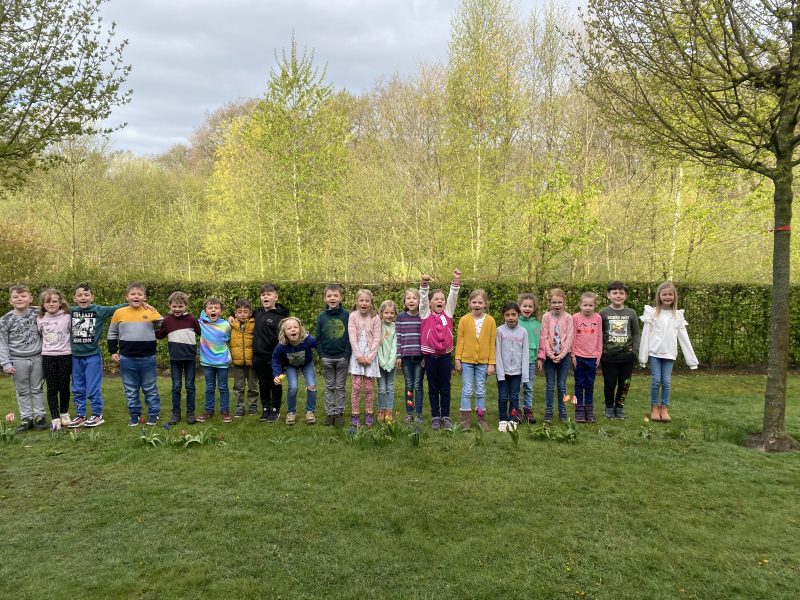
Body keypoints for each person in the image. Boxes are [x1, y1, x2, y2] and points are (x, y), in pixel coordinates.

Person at [68, 283, 128, 428]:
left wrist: (136, 302)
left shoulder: (99, 310)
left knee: (93, 387)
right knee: (77, 387)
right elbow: (50, 306)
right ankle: (80, 415)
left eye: (86, 295)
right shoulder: (70, 311)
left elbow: (117, 307)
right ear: (74, 298)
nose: (83, 298)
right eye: (79, 295)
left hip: (92, 356)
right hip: (75, 357)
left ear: (92, 297)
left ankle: (97, 414)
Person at [639, 281, 698, 423]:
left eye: (670, 294)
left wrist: (691, 360)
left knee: (666, 381)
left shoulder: (677, 316)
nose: (667, 297)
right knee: (656, 381)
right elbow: (645, 335)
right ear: (659, 296)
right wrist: (643, 357)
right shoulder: (652, 314)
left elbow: (684, 338)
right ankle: (654, 407)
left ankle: (664, 408)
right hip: (655, 353)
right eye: (664, 294)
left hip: (669, 354)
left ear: (674, 296)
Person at [108, 282, 163, 427]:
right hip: (127, 358)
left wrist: (153, 310)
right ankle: (134, 414)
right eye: (133, 294)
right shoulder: (119, 313)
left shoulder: (150, 311)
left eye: (139, 294)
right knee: (131, 389)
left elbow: (163, 325)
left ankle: (154, 413)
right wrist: (113, 351)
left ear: (144, 297)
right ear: (127, 296)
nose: (136, 296)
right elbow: (112, 333)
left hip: (148, 358)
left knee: (150, 388)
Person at [0, 284, 46, 432]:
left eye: (23, 296)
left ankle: (40, 417)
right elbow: (2, 343)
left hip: (37, 357)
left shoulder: (38, 313)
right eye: (16, 297)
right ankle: (26, 419)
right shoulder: (5, 320)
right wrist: (5, 363)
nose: (19, 299)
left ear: (30, 298)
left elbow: (54, 308)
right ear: (10, 301)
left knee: (37, 388)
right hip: (17, 359)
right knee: (22, 390)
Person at [420, 269, 461, 431]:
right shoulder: (425, 313)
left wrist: (456, 281)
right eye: (436, 299)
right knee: (433, 388)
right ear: (430, 302)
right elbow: (423, 299)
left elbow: (453, 296)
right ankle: (435, 417)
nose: (440, 301)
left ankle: (446, 416)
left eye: (442, 299)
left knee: (445, 387)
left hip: (445, 356)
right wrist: (424, 285)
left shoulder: (448, 312)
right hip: (430, 357)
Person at [156, 291, 200, 426]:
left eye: (180, 306)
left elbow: (202, 332)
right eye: (174, 306)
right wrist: (146, 327)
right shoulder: (167, 321)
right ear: (169, 305)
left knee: (190, 386)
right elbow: (160, 334)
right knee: (176, 387)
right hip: (175, 359)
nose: (177, 309)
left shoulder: (192, 320)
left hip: (190, 358)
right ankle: (176, 413)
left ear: (186, 306)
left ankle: (190, 413)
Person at [454, 288, 496, 432]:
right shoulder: (464, 320)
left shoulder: (490, 321)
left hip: (483, 362)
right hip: (466, 361)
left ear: (485, 304)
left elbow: (492, 343)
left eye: (480, 302)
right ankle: (465, 421)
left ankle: (481, 419)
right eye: (474, 302)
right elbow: (460, 341)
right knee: (466, 390)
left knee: (480, 390)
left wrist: (491, 363)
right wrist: (458, 359)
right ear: (469, 303)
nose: (477, 305)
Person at [600, 281, 640, 420]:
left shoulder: (631, 313)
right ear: (608, 295)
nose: (618, 295)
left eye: (621, 293)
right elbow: (598, 334)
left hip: (627, 356)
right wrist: (601, 350)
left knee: (625, 384)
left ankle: (619, 407)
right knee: (610, 384)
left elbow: (636, 333)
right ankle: (609, 407)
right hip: (608, 356)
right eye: (615, 293)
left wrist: (635, 351)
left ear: (626, 296)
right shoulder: (603, 313)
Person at [252, 283, 289, 423]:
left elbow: (284, 338)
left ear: (276, 297)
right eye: (263, 295)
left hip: (274, 358)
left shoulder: (281, 317)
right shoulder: (258, 313)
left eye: (268, 294)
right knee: (263, 384)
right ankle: (266, 408)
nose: (265, 297)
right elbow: (242, 312)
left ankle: (275, 410)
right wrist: (232, 315)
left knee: (275, 383)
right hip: (258, 356)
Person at [36, 288, 72, 430]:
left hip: (65, 355)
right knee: (52, 387)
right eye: (47, 302)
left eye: (54, 301)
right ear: (43, 304)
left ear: (60, 302)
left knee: (64, 386)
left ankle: (64, 413)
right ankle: (55, 417)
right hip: (48, 356)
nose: (51, 304)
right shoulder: (40, 318)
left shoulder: (67, 316)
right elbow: (40, 335)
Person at [537, 288, 574, 424]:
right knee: (550, 385)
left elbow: (570, 337)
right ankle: (549, 412)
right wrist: (550, 354)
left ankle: (562, 412)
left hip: (564, 357)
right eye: (554, 302)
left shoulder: (568, 318)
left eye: (560, 302)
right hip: (549, 357)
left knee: (561, 385)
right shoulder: (546, 317)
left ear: (564, 303)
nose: (557, 305)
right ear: (549, 303)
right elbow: (544, 337)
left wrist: (562, 354)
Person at [272, 317, 317, 426]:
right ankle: (291, 412)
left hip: (307, 363)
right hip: (290, 365)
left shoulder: (308, 340)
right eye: (289, 328)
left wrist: (327, 355)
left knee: (311, 385)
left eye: (295, 327)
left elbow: (319, 344)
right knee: (293, 387)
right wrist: (276, 374)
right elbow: (276, 359)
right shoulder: (281, 345)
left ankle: (310, 411)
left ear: (300, 329)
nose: (293, 329)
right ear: (284, 332)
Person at [316, 284, 350, 426]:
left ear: (341, 298)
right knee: (329, 387)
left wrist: (346, 355)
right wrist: (322, 355)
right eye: (329, 296)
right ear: (325, 298)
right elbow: (318, 339)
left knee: (340, 387)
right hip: (327, 358)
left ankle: (339, 413)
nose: (332, 298)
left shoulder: (347, 315)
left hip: (342, 358)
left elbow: (350, 337)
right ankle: (330, 413)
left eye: (336, 295)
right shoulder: (321, 317)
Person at [348, 289, 381, 427]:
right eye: (361, 300)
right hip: (357, 358)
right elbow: (352, 337)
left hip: (370, 358)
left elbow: (377, 339)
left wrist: (370, 357)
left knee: (369, 389)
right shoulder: (353, 316)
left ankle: (369, 414)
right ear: (357, 302)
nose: (364, 303)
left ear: (371, 302)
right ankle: (355, 414)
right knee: (356, 388)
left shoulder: (375, 317)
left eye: (367, 301)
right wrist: (359, 356)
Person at [197, 297, 232, 423]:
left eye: (216, 308)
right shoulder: (201, 323)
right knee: (209, 388)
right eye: (210, 308)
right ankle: (209, 411)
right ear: (205, 311)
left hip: (222, 361)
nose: (213, 310)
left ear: (221, 311)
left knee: (223, 387)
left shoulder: (226, 325)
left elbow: (229, 338)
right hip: (207, 362)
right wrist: (204, 314)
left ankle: (225, 411)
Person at [495, 301, 529, 432]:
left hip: (517, 372)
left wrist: (524, 374)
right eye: (507, 315)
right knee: (503, 396)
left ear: (518, 315)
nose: (510, 317)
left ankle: (513, 419)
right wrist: (499, 371)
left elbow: (525, 353)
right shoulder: (499, 331)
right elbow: (497, 352)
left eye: (513, 314)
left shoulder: (523, 332)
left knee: (515, 396)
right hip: (503, 371)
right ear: (503, 316)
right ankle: (503, 419)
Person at [572, 292, 603, 423]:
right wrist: (573, 355)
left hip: (592, 357)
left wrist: (598, 354)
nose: (588, 308)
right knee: (579, 384)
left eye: (590, 305)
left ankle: (589, 411)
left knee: (590, 384)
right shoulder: (575, 317)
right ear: (580, 305)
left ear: (595, 305)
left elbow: (599, 336)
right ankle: (579, 411)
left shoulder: (598, 318)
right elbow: (573, 337)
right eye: (585, 305)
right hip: (579, 356)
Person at [396, 288, 424, 425]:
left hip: (420, 358)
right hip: (406, 357)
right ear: (405, 301)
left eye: (414, 298)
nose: (411, 301)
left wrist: (425, 356)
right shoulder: (401, 317)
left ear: (419, 301)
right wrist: (398, 356)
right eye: (408, 298)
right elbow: (398, 337)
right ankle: (409, 413)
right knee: (409, 385)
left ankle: (418, 413)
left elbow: (426, 337)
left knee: (418, 385)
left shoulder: (423, 316)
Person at [230, 299, 259, 418]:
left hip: (251, 360)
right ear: (235, 314)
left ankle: (253, 405)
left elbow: (260, 312)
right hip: (237, 361)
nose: (242, 314)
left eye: (245, 312)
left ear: (250, 313)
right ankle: (239, 406)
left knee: (253, 385)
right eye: (239, 312)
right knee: (238, 386)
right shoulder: (232, 324)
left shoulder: (254, 323)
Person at [518, 293, 541, 424]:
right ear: (519, 307)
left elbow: (539, 342)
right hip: (517, 360)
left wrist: (539, 358)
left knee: (528, 386)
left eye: (530, 306)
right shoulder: (516, 322)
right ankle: (517, 410)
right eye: (524, 306)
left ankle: (528, 410)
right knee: (517, 386)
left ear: (534, 308)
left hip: (531, 360)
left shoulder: (537, 324)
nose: (527, 308)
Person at [377, 300, 398, 422]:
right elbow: (377, 346)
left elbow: (395, 346)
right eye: (386, 312)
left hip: (392, 363)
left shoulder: (395, 327)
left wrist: (390, 362)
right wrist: (382, 362)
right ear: (381, 313)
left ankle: (389, 410)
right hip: (380, 363)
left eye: (392, 313)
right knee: (381, 388)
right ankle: (381, 410)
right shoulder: (378, 326)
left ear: (395, 314)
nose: (389, 315)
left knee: (390, 387)